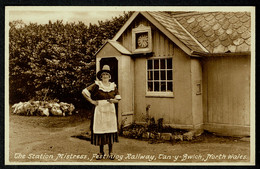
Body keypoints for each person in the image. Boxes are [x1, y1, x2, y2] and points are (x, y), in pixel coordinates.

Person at [82, 65, 121, 160]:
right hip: (99, 111)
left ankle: (111, 152)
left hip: (110, 111)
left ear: (109, 76)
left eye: (107, 75)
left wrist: (113, 101)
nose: (105, 77)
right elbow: (84, 92)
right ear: (101, 76)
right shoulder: (96, 85)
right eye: (103, 75)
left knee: (110, 130)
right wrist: (92, 101)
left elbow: (118, 98)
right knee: (101, 131)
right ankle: (101, 152)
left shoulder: (113, 86)